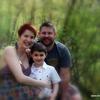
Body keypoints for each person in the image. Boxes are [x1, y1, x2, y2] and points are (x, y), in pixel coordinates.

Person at [0, 23, 49, 100]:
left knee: (45, 93)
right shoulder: (10, 50)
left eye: (32, 37)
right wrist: (44, 84)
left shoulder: (29, 55)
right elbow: (20, 78)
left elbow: (41, 67)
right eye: (26, 36)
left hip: (21, 90)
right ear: (19, 36)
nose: (29, 40)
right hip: (5, 90)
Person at [38, 21, 82, 100]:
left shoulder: (62, 50)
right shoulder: (32, 48)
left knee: (76, 97)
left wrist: (63, 96)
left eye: (49, 33)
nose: (46, 35)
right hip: (38, 83)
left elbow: (64, 77)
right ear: (39, 34)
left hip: (59, 83)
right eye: (44, 33)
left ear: (55, 35)